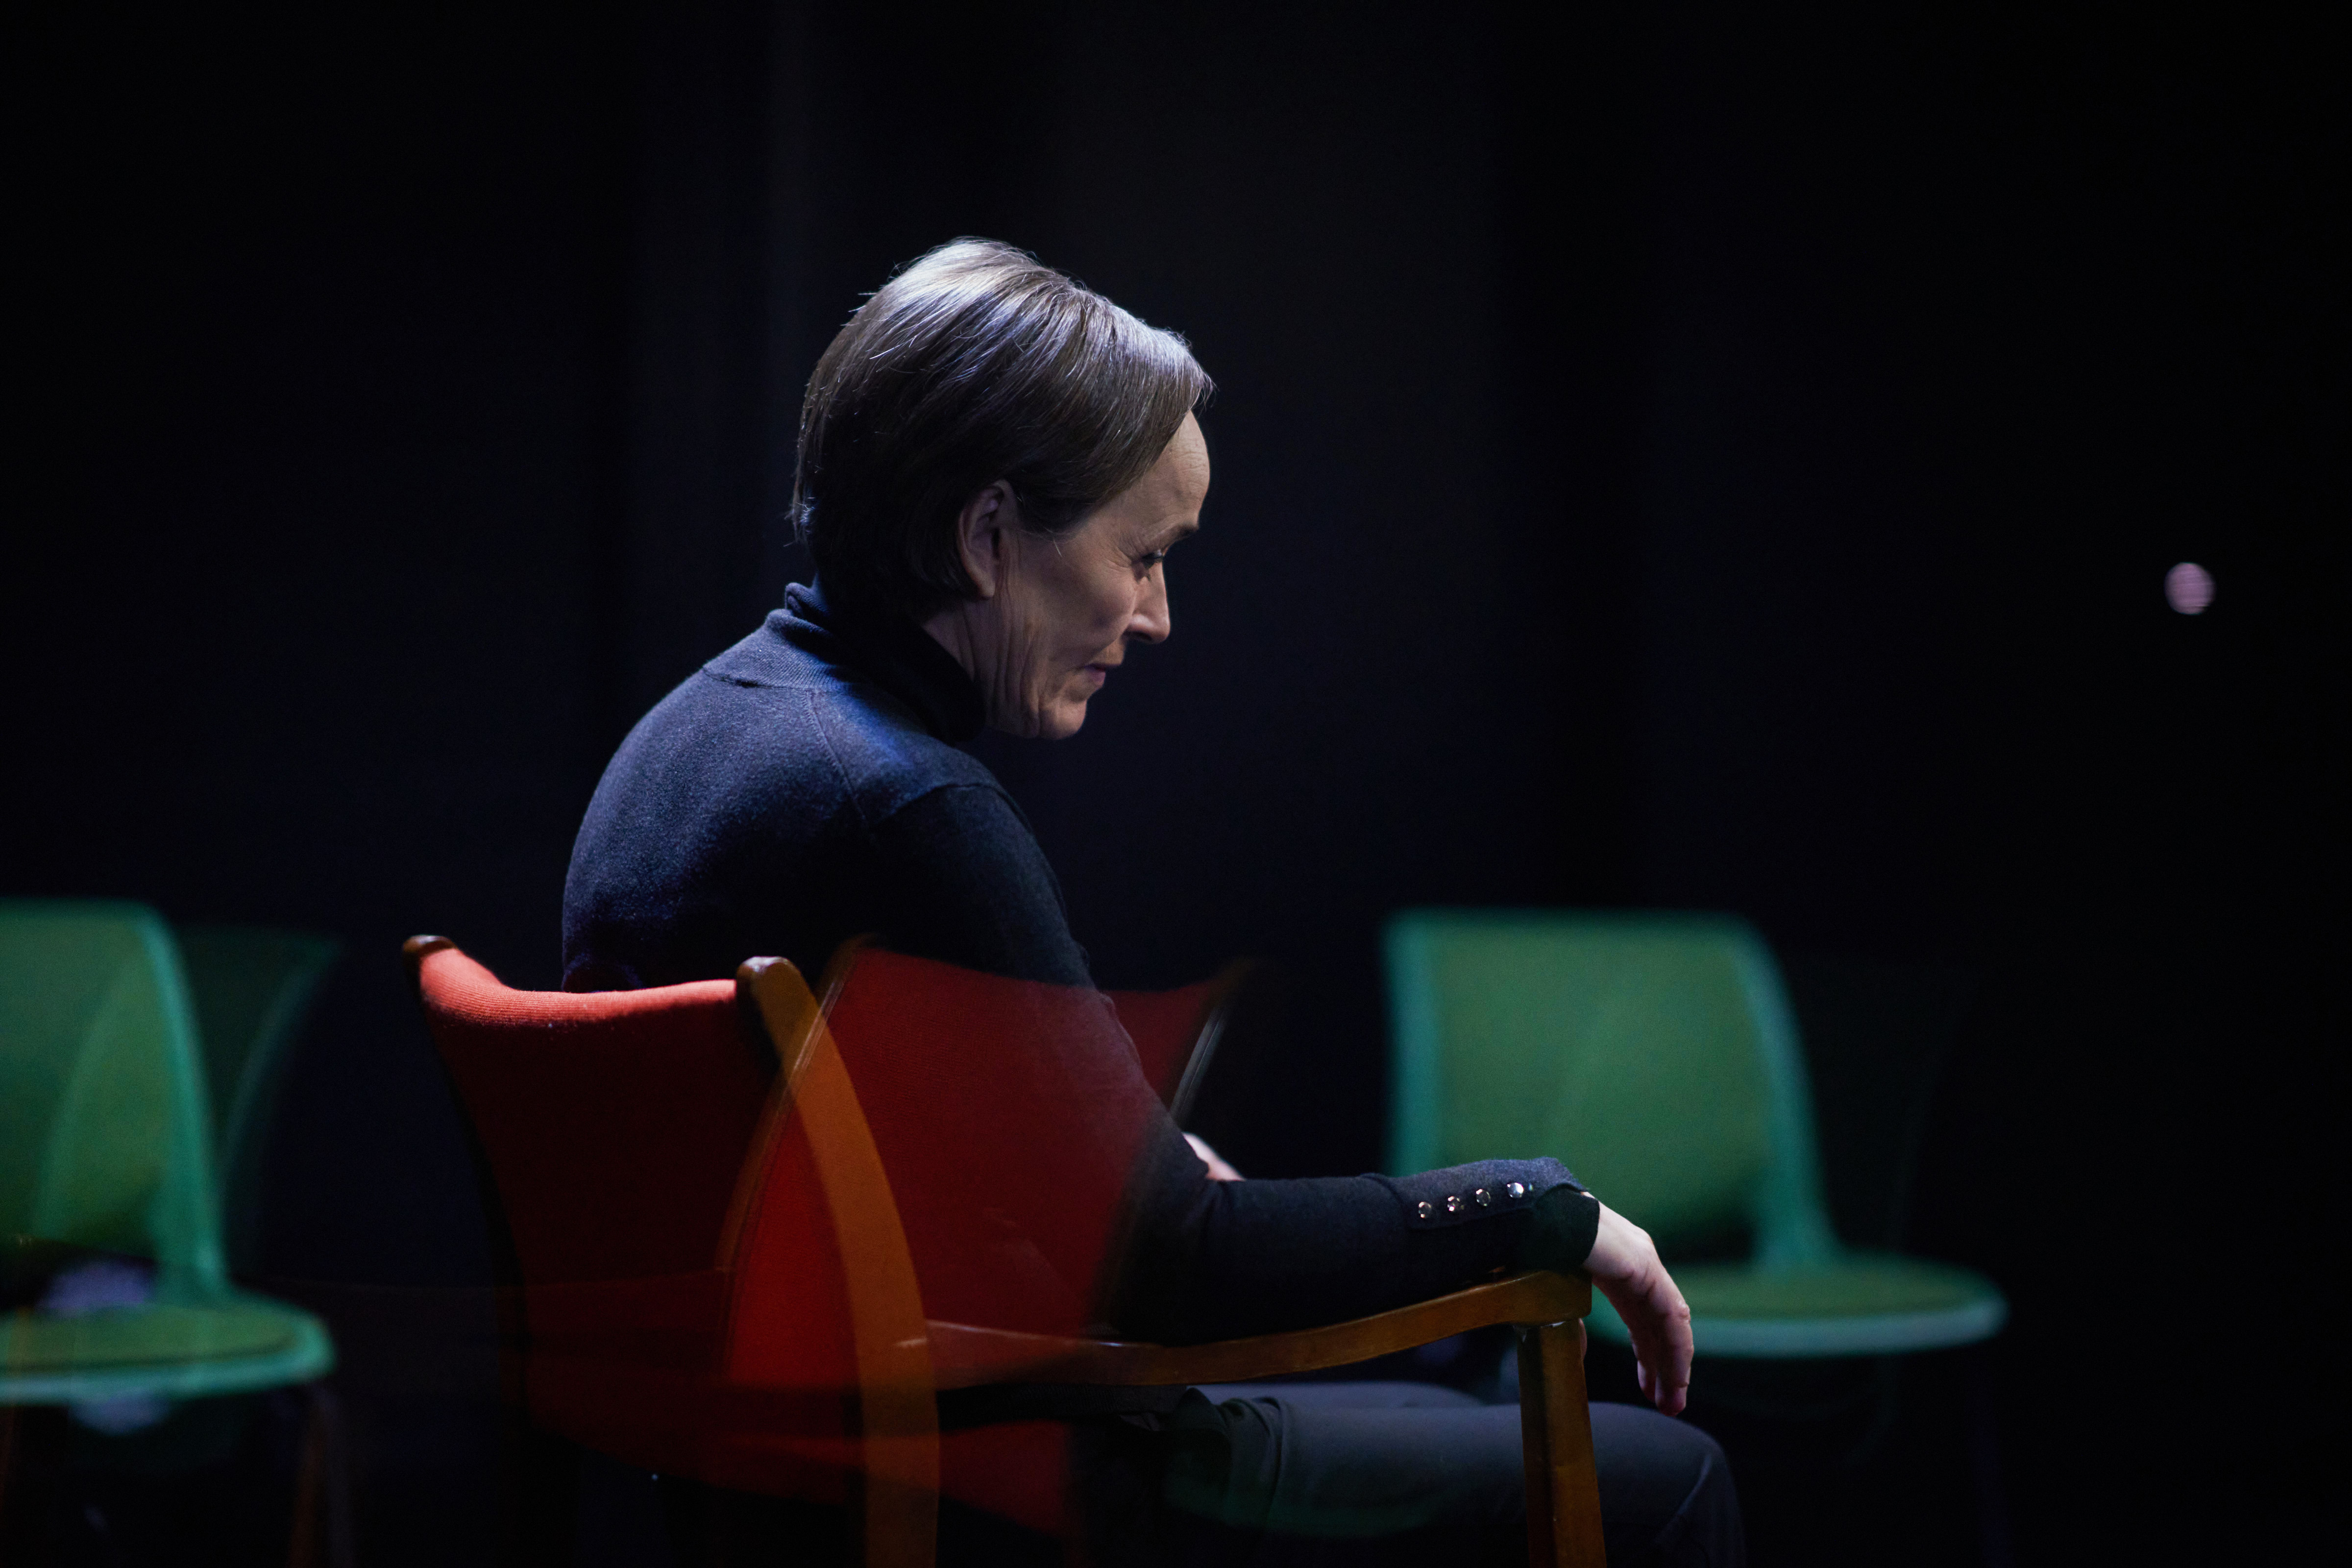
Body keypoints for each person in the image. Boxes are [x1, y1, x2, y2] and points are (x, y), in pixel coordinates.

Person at [564, 239, 1742, 1567]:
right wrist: (1532, 1205)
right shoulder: (905, 806)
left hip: (793, 1490)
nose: (1160, 616)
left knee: (1452, 1402)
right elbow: (1181, 1267)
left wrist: (1110, 1169)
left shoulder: (693, 737)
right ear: (988, 537)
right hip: (1003, 1486)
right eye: (1142, 556)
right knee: (1668, 1478)